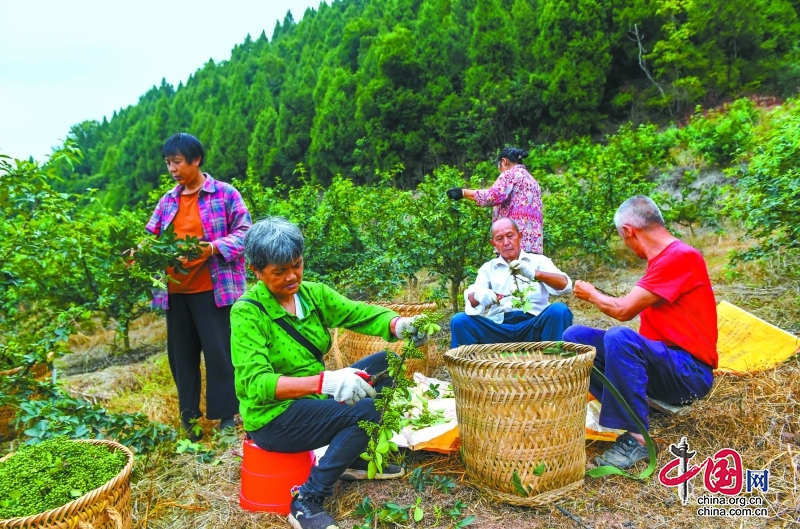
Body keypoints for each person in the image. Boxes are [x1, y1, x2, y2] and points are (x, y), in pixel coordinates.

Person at [230, 217, 431, 529]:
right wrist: (328, 381)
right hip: (274, 418)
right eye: (279, 271)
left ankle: (350, 458)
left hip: (313, 397)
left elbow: (358, 313)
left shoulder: (313, 295)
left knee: (386, 364)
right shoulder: (247, 313)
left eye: (296, 265)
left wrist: (397, 324)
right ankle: (307, 500)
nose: (291, 276)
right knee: (368, 409)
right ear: (256, 271)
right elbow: (257, 384)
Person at [564, 196, 717, 470]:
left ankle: (637, 438)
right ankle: (636, 409)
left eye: (623, 239)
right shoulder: (662, 261)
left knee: (619, 337)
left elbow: (623, 310)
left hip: (689, 373)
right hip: (666, 365)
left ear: (628, 231)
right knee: (576, 338)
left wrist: (591, 294)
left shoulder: (680, 257)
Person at [146, 132, 252, 440]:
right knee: (182, 358)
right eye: (168, 163)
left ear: (196, 160)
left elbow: (246, 232)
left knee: (220, 354)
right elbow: (150, 238)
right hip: (176, 294)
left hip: (214, 290)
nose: (172, 169)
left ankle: (227, 420)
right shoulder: (167, 201)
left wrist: (213, 248)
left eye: (177, 162)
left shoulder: (224, 194)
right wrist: (137, 254)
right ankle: (188, 420)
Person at [450, 218, 573, 348]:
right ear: (493, 243)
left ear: (519, 236)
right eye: (499, 239)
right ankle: (468, 367)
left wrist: (535, 274)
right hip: (499, 329)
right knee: (460, 321)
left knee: (559, 310)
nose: (506, 242)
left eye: (510, 236)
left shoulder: (538, 261)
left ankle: (555, 364)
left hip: (534, 325)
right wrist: (480, 296)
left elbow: (565, 285)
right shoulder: (488, 268)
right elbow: (471, 299)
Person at [446, 147, 543, 254]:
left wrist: (463, 193)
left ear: (504, 161)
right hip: (534, 246)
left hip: (513, 246)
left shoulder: (509, 174)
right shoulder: (533, 181)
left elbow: (492, 196)